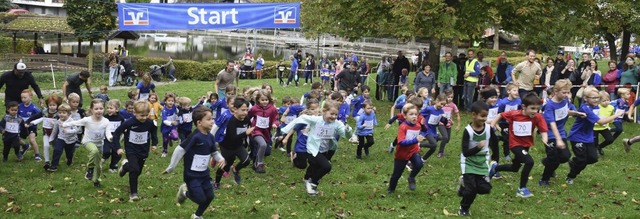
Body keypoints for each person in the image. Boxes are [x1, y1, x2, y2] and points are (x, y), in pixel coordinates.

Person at [163, 106, 226, 219]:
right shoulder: (195, 136)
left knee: (210, 196)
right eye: (209, 119)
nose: (212, 121)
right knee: (200, 198)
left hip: (204, 174)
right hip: (192, 175)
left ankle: (197, 216)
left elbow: (214, 152)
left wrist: (221, 159)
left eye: (212, 118)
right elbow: (180, 149)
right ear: (199, 122)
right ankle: (184, 192)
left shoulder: (211, 137)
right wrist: (171, 167)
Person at [281, 100, 353, 196]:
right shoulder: (316, 120)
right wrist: (285, 129)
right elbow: (302, 118)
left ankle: (310, 186)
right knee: (327, 166)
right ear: (323, 111)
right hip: (313, 149)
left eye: (336, 114)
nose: (334, 117)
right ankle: (313, 183)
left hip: (325, 150)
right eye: (331, 114)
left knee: (315, 167)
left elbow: (346, 135)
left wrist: (348, 130)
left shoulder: (337, 124)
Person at [489, 93, 548, 198]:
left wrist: (544, 138)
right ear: (524, 107)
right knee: (529, 162)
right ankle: (522, 189)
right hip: (515, 144)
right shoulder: (514, 114)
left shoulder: (538, 117)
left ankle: (495, 168)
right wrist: (492, 126)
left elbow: (543, 130)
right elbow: (500, 115)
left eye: (537, 109)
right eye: (532, 108)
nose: (535, 111)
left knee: (515, 167)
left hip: (526, 145)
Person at [566, 86, 624, 185]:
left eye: (597, 98)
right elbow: (600, 122)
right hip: (577, 136)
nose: (596, 100)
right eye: (593, 98)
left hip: (588, 137)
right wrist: (617, 114)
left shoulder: (596, 106)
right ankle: (571, 176)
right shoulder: (585, 108)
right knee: (582, 160)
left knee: (593, 158)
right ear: (585, 98)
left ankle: (574, 162)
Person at [111, 100, 158, 202]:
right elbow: (116, 134)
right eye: (141, 115)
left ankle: (125, 166)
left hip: (143, 150)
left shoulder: (150, 123)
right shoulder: (129, 123)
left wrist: (154, 144)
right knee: (134, 170)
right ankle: (133, 194)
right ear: (135, 113)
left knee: (138, 171)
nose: (144, 118)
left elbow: (154, 133)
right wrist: (118, 148)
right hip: (131, 149)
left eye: (146, 115)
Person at [539, 79, 582, 187]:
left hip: (561, 132)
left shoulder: (565, 101)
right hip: (549, 134)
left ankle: (546, 161)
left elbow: (566, 111)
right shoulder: (550, 106)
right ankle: (544, 179)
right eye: (564, 92)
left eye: (568, 92)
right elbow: (552, 123)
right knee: (554, 159)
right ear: (555, 91)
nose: (567, 95)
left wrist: (577, 113)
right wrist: (558, 139)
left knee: (565, 156)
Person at [62, 99, 113, 188]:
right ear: (91, 110)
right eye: (96, 109)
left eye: (101, 108)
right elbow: (76, 122)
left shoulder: (106, 121)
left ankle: (96, 180)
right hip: (88, 141)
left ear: (104, 109)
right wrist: (65, 125)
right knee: (94, 151)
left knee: (98, 165)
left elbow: (108, 132)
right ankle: (90, 168)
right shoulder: (87, 120)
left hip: (99, 144)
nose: (99, 111)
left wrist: (110, 138)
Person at [457, 101, 493, 217]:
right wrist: (478, 147)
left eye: (486, 116)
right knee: (472, 190)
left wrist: (495, 158)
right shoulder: (467, 131)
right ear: (473, 115)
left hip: (482, 162)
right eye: (482, 116)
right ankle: (464, 208)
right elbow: (466, 153)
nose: (484, 119)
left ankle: (463, 188)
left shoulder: (488, 129)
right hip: (468, 162)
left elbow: (494, 143)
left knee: (485, 189)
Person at [213, 97, 253, 187]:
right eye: (243, 110)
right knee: (225, 166)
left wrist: (248, 139)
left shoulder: (246, 118)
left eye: (247, 110)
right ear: (235, 110)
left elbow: (248, 127)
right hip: (227, 146)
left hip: (238, 145)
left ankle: (235, 169)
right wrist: (245, 133)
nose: (245, 112)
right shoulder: (232, 121)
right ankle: (217, 182)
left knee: (246, 161)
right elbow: (233, 137)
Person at [387, 103, 425, 193]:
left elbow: (425, 130)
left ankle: (411, 177)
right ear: (405, 116)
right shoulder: (403, 127)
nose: (414, 117)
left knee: (419, 164)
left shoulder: (418, 125)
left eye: (416, 114)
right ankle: (391, 189)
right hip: (402, 153)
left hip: (413, 150)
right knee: (397, 174)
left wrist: (423, 129)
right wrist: (415, 140)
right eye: (411, 114)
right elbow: (401, 142)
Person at [25, 94, 63, 169]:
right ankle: (47, 162)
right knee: (46, 146)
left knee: (56, 148)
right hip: (46, 132)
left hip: (55, 134)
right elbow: (36, 116)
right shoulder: (45, 112)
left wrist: (55, 123)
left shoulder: (59, 113)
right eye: (50, 105)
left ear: (57, 105)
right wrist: (28, 122)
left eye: (54, 105)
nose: (52, 107)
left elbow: (62, 122)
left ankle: (55, 161)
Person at [248, 90, 279, 173]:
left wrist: (275, 124)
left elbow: (276, 119)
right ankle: (260, 164)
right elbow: (248, 116)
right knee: (262, 145)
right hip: (256, 130)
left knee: (264, 149)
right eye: (262, 100)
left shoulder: (272, 109)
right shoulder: (254, 108)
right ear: (258, 100)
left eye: (266, 100)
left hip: (266, 132)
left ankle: (255, 163)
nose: (264, 102)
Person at [48, 104, 78, 171]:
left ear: (68, 113)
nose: (61, 114)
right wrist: (51, 139)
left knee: (69, 153)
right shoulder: (58, 121)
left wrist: (68, 131)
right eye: (60, 113)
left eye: (64, 113)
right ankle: (54, 166)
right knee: (57, 150)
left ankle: (69, 161)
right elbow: (54, 131)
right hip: (61, 138)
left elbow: (76, 130)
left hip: (71, 140)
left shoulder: (71, 121)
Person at [496, 83, 521, 161]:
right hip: (504, 123)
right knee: (507, 139)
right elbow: (499, 113)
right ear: (508, 91)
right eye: (514, 90)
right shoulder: (503, 103)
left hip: (514, 123)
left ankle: (498, 137)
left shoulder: (519, 101)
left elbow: (520, 111)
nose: (516, 92)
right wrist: (497, 124)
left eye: (517, 90)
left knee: (514, 138)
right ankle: (507, 154)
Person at [420, 94, 448, 162]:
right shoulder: (429, 109)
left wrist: (445, 119)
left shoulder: (441, 111)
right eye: (441, 104)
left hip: (433, 131)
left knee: (434, 147)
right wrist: (421, 121)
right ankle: (418, 145)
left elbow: (444, 123)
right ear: (437, 101)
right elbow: (420, 114)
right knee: (434, 144)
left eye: (444, 105)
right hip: (426, 130)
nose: (442, 106)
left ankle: (423, 159)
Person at [102, 99, 125, 173]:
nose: (109, 110)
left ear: (117, 109)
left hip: (116, 139)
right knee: (106, 151)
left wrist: (124, 132)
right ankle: (104, 157)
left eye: (111, 108)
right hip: (106, 139)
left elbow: (123, 127)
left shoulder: (120, 118)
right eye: (107, 108)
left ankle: (113, 166)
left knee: (117, 154)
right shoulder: (105, 118)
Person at [19, 89, 41, 161]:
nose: (23, 99)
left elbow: (40, 117)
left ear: (31, 97)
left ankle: (37, 155)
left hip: (31, 127)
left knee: (32, 140)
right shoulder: (19, 106)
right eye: (22, 97)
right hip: (22, 127)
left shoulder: (34, 108)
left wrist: (31, 123)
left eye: (25, 97)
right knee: (17, 139)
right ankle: (25, 146)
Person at [594, 91, 615, 156]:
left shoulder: (611, 107)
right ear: (599, 101)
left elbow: (611, 116)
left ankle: (599, 147)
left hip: (604, 127)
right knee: (595, 142)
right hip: (594, 128)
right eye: (604, 101)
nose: (606, 102)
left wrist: (610, 122)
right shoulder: (596, 107)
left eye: (608, 100)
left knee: (610, 139)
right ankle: (595, 151)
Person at [160, 93, 179, 158]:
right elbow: (164, 121)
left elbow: (178, 110)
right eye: (169, 101)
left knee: (176, 137)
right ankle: (164, 151)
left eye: (172, 101)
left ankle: (170, 138)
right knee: (165, 140)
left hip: (173, 127)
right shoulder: (164, 110)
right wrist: (171, 123)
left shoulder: (174, 107)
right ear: (165, 101)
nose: (171, 102)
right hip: (165, 127)